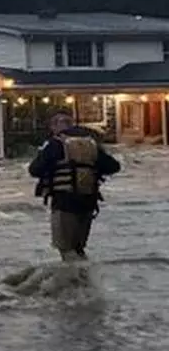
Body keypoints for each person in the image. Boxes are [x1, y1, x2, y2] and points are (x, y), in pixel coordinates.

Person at [27, 108, 121, 262]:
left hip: (64, 202)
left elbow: (34, 170)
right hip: (89, 202)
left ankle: (74, 281)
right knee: (78, 248)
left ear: (55, 125)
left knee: (66, 249)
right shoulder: (91, 144)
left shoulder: (55, 144)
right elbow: (114, 167)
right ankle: (86, 280)